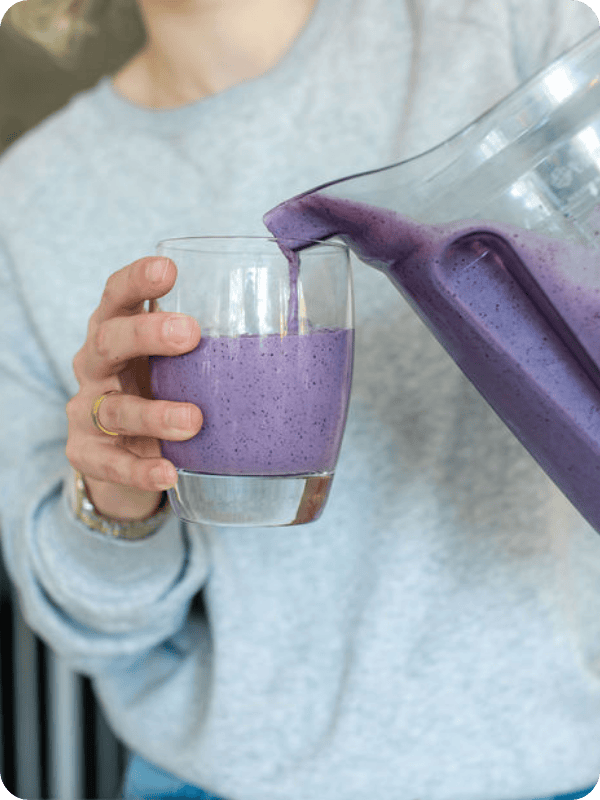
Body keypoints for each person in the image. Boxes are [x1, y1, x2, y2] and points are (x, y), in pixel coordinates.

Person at [1, 0, 600, 798]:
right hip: (215, 781)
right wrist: (115, 496)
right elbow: (95, 632)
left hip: (545, 765)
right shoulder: (26, 196)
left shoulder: (511, 34)